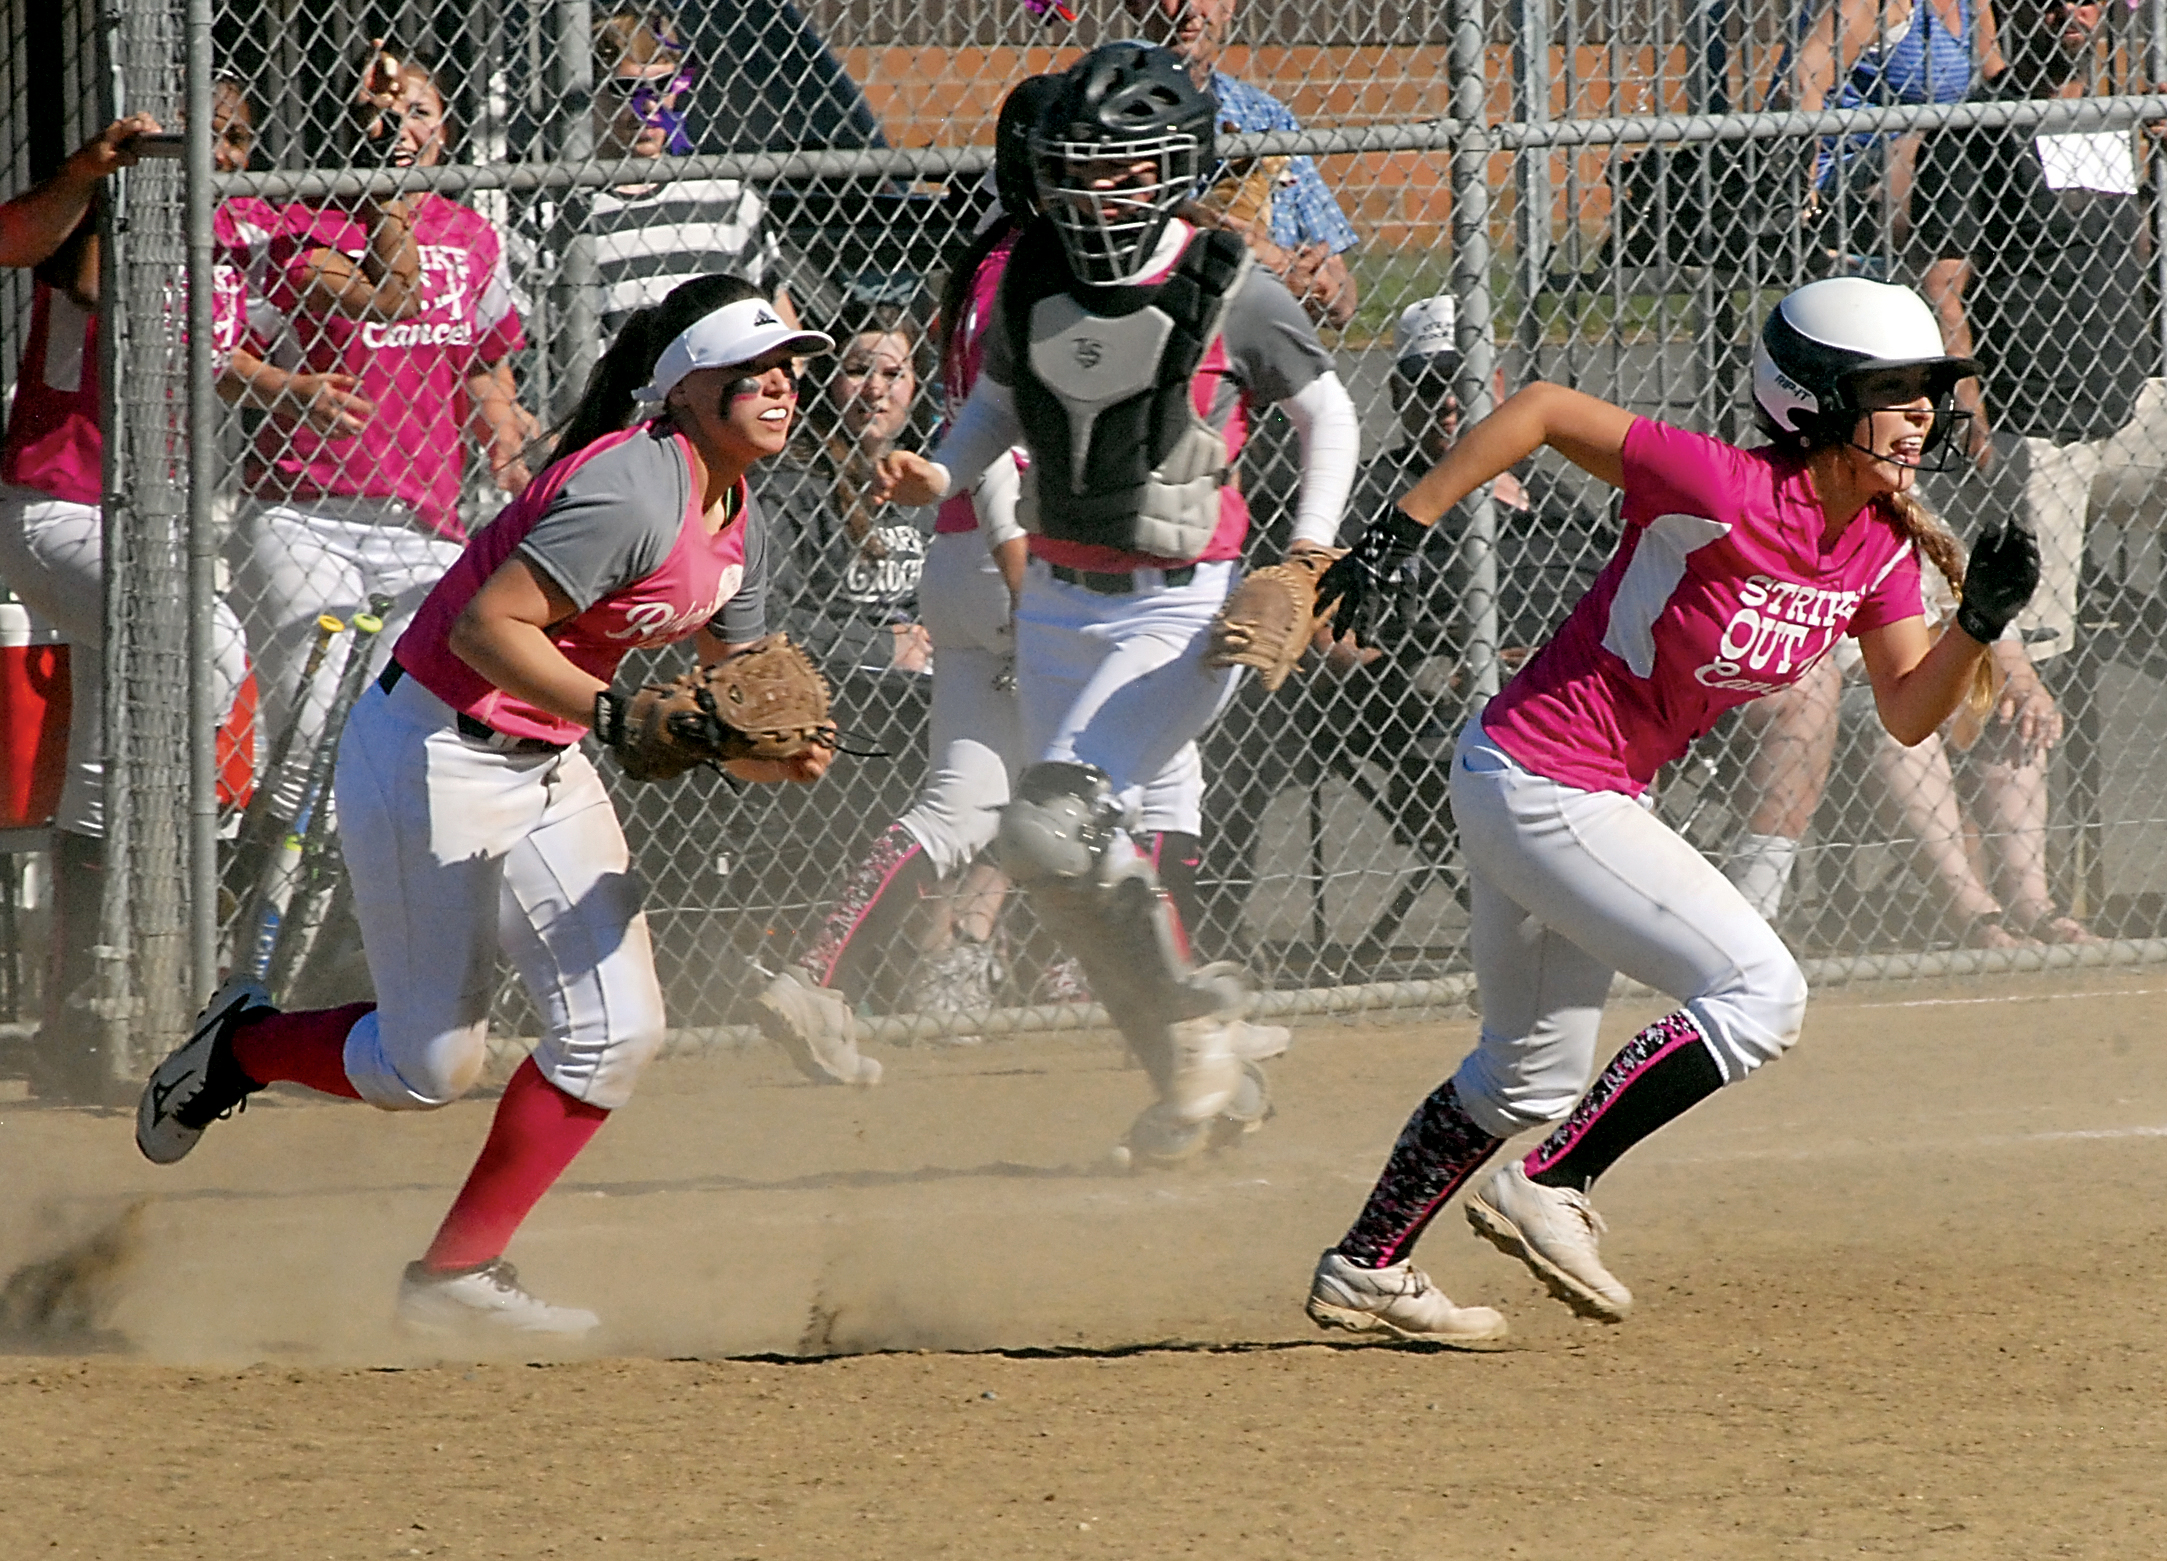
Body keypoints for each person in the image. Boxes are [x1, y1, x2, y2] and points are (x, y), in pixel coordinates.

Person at [1298, 276, 2038, 1346]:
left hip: (1554, 784)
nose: (1921, 411)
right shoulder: (1723, 485)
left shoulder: (1875, 544)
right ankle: (1553, 1181)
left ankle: (1366, 1264)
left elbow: (1908, 711)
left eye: (1927, 388)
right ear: (1815, 399)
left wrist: (1975, 620)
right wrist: (1396, 531)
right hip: (1543, 777)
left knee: (1526, 1072)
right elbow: (1541, 408)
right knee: (1760, 993)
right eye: (1893, 390)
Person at [135, 276, 836, 1339]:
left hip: (546, 760)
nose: (780, 386)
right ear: (687, 387)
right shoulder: (633, 488)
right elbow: (485, 628)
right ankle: (243, 1045)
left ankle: (454, 1276)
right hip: (432, 749)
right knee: (427, 1067)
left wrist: (774, 753)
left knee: (616, 1033)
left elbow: (732, 693)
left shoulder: (740, 512)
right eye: (751, 369)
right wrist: (619, 716)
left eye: (787, 368)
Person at [870, 43, 1360, 1162]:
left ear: (1176, 166)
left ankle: (1200, 1025)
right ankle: (1202, 1081)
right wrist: (940, 473)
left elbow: (1328, 415)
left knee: (1053, 826)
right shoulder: (1032, 277)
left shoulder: (1228, 284)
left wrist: (1306, 559)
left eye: (1124, 171)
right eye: (1076, 172)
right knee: (1066, 874)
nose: (1096, 195)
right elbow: (998, 406)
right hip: (1052, 601)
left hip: (1176, 613)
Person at [754, 76, 1054, 1053]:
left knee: (958, 803)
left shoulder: (982, 263)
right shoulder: (1032, 269)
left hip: (959, 562)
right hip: (1015, 551)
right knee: (1131, 774)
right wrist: (1027, 585)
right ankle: (1141, 1000)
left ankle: (813, 976)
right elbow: (1002, 445)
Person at [1201, 296, 1609, 957]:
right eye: (1424, 384)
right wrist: (1450, 661)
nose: (1445, 402)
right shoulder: (1376, 497)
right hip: (1453, 709)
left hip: (1589, 686)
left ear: (1495, 385)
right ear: (1396, 394)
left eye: (1459, 381)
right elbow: (1329, 634)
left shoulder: (1553, 495)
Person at [0, 103, 259, 1101]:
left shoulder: (233, 236)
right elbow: (48, 259)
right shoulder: (107, 217)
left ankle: (77, 1018)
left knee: (107, 755)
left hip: (156, 519)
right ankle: (185, 888)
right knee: (210, 651)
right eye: (192, 134)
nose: (213, 155)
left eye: (231, 139)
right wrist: (101, 174)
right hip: (60, 506)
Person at [227, 45, 538, 840]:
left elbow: (482, 363)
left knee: (407, 719)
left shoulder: (470, 234)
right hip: (303, 510)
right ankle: (265, 885)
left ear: (446, 129)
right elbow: (236, 356)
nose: (397, 128)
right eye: (377, 114)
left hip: (424, 521)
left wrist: (503, 435)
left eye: (416, 113)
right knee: (310, 730)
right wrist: (291, 390)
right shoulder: (300, 223)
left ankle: (348, 899)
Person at [1912, 0, 2160, 680]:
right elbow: (1941, 286)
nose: (2067, 12)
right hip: (2037, 418)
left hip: (2131, 399)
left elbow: (2136, 248)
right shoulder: (1975, 126)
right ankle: (2032, 722)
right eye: (2046, 1)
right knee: (2035, 652)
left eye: (2084, 0)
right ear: (2008, 12)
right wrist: (1972, 415)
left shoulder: (2114, 115)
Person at [1726, 556, 2095, 946]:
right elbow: (1825, 647)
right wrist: (1928, 685)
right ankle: (1971, 912)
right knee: (1896, 727)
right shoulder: (1795, 530)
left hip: (1936, 668)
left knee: (2011, 714)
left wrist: (2021, 682)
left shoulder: (1911, 523)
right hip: (1857, 686)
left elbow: (1977, 600)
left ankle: (2033, 905)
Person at [1122, 0, 1361, 329]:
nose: (1189, 9)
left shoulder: (1265, 115)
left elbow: (1341, 287)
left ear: (1229, 6)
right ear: (1134, 5)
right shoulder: (1108, 111)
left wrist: (1323, 290)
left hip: (1260, 334)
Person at [759, 299, 936, 676]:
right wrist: (880, 647)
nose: (875, 389)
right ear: (828, 379)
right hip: (826, 679)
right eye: (857, 370)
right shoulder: (793, 481)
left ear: (916, 385)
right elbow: (763, 613)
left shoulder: (920, 479)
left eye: (893, 374)